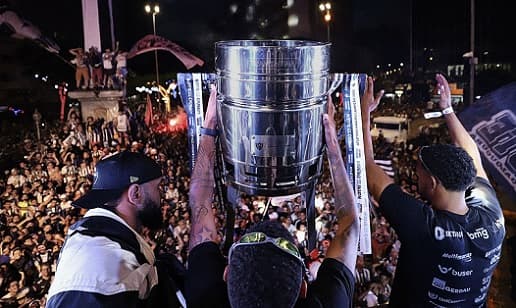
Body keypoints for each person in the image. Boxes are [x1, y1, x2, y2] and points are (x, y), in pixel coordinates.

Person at [185, 85, 359, 307]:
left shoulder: (205, 298)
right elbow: (351, 227)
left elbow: (199, 200)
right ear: (303, 289)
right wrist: (333, 146)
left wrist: (209, 126)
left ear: (227, 274)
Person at [360, 74, 505, 306]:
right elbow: (472, 155)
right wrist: (447, 109)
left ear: (433, 182)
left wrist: (363, 114)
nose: (415, 176)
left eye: (419, 172)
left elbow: (367, 166)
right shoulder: (492, 215)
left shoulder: (424, 226)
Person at [46, 151, 186, 307]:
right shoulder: (102, 262)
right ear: (136, 193)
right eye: (159, 187)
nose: (162, 196)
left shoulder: (92, 241)